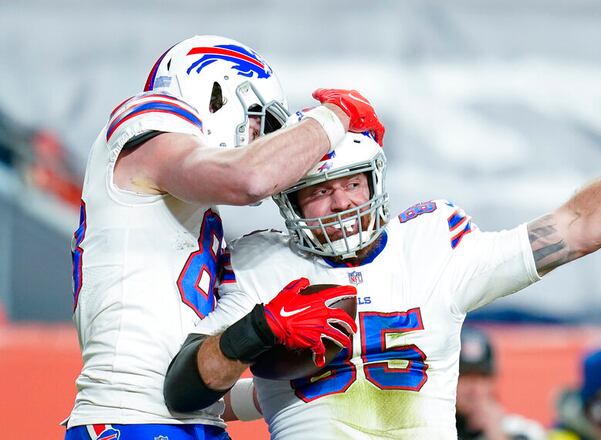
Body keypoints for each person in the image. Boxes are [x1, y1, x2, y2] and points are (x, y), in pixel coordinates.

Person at [162, 66, 601, 439]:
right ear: (289, 202)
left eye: (351, 184)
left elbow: (573, 228)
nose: (340, 202)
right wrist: (258, 330)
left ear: (375, 183)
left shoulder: (432, 244)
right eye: (319, 191)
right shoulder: (264, 263)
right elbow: (185, 389)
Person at [65, 34, 382, 440]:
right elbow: (250, 177)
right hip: (129, 421)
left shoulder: (181, 206)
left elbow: (181, 387)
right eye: (257, 122)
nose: (259, 139)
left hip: (177, 422)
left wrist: (285, 390)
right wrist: (335, 116)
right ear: (217, 94)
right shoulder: (145, 122)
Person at [456, 326, 546, 440]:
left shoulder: (523, 431)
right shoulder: (432, 429)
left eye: (482, 377)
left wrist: (496, 435)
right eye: (465, 376)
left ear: (493, 381)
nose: (474, 388)